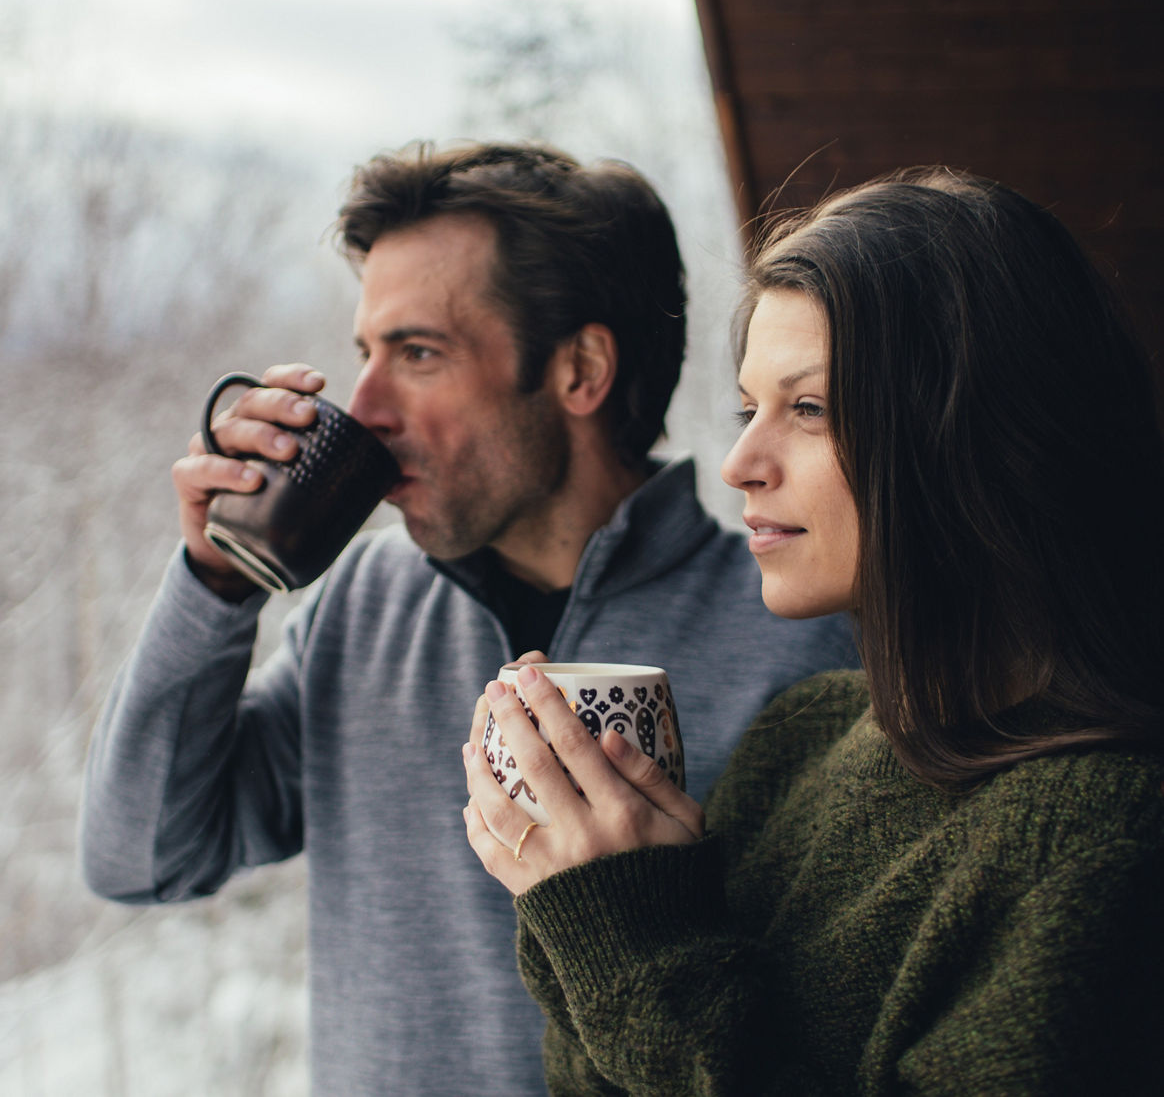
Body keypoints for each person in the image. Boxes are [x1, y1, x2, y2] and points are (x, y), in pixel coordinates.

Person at [79, 141, 858, 1096]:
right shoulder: (364, 605)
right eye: (366, 354)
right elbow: (142, 858)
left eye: (418, 354)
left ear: (579, 370)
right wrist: (213, 584)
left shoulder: (808, 633)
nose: (363, 407)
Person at [463, 166, 1164, 1095]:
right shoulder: (798, 743)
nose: (741, 463)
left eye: (810, 408)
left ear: (980, 431)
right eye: (748, 409)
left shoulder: (1104, 838)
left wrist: (631, 936)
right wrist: (582, 889)